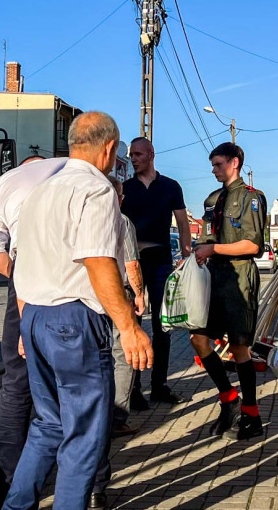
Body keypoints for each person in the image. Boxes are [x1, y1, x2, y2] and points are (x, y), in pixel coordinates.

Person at [3, 112, 153, 510]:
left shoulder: (40, 192)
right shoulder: (97, 190)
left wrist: (23, 326)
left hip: (34, 315)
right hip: (74, 322)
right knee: (84, 434)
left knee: (47, 425)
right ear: (108, 149)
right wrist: (128, 326)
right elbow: (99, 260)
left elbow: (23, 264)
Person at [0, 154, 67, 509]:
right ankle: (87, 481)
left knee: (16, 383)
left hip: (26, 272)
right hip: (74, 275)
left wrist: (24, 279)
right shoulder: (67, 169)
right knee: (76, 381)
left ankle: (8, 480)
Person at [191, 142, 267, 441]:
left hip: (239, 277)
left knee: (239, 348)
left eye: (218, 164)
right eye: (212, 165)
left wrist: (213, 248)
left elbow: (253, 245)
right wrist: (197, 251)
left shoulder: (252, 198)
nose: (213, 170)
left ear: (234, 163)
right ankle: (228, 398)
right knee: (198, 339)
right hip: (213, 278)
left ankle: (252, 415)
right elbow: (206, 236)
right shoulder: (212, 200)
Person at [90, 175, 147, 509]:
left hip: (80, 303)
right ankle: (115, 419)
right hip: (117, 299)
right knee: (121, 358)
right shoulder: (120, 220)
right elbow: (131, 263)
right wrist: (139, 296)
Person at [121, 136, 191, 405]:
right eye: (131, 154)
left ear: (151, 154)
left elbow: (183, 222)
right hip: (133, 265)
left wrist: (186, 255)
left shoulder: (171, 186)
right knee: (133, 324)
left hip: (162, 263)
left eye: (138, 154)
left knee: (163, 325)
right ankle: (133, 389)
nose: (133, 158)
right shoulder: (126, 188)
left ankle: (160, 385)